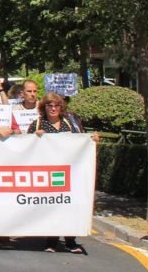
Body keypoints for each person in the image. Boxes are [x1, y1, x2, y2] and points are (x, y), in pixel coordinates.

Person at [28, 92, 99, 254]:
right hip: (47, 172)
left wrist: (92, 139)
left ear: (61, 107)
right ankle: (51, 241)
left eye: (56, 105)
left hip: (70, 172)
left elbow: (82, 140)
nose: (53, 108)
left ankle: (70, 241)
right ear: (43, 107)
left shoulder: (71, 124)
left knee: (69, 204)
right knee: (51, 205)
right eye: (49, 105)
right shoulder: (37, 124)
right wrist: (34, 138)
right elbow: (26, 146)